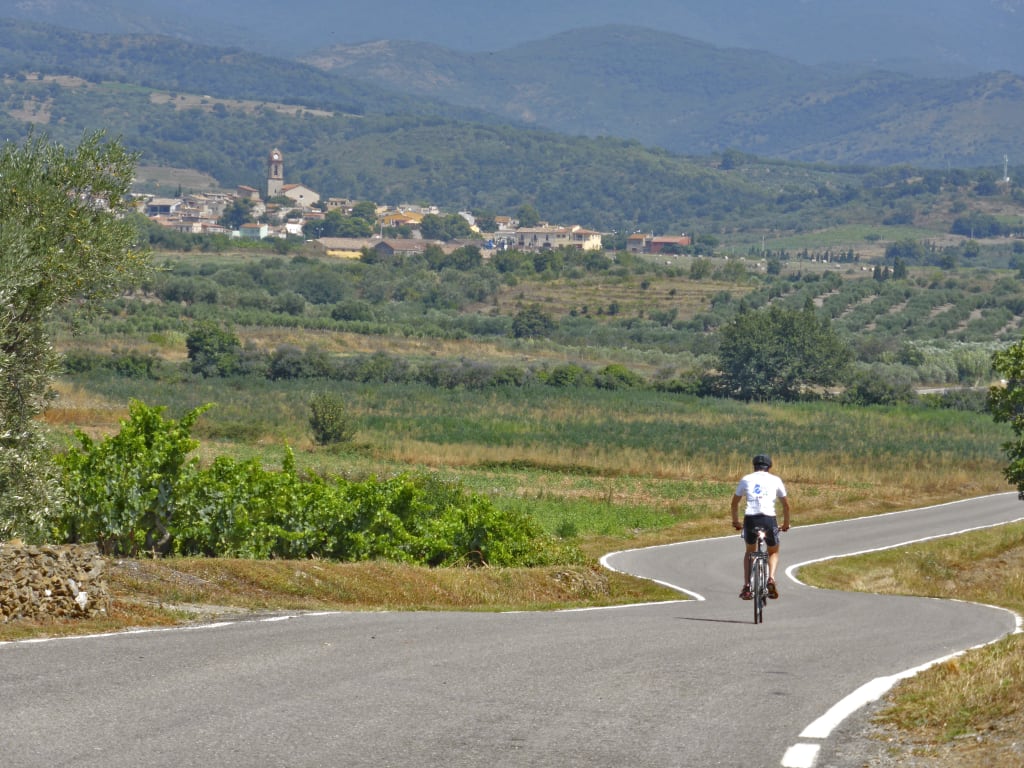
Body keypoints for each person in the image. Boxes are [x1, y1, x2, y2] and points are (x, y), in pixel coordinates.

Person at [731, 454, 790, 600]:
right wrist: (786, 524)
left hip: (750, 518)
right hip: (769, 519)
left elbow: (734, 503)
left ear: (754, 466)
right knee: (773, 551)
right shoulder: (776, 480)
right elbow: (786, 505)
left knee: (750, 552)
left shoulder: (746, 479)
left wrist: (736, 522)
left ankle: (747, 586)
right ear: (769, 467)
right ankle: (770, 578)